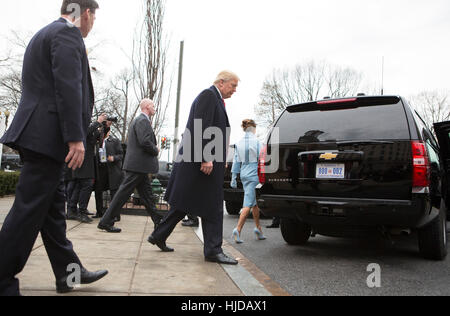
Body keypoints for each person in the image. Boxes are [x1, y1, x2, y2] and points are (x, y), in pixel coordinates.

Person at [0, 0, 108, 296]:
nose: (92, 23)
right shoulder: (66, 33)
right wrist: (76, 137)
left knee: (51, 213)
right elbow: (68, 85)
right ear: (85, 13)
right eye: (94, 17)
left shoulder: (46, 33)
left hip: (40, 136)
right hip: (47, 138)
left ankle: (68, 274)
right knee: (27, 212)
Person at [147, 71, 240, 265]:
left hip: (199, 164)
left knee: (186, 203)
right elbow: (201, 127)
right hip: (203, 164)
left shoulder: (214, 98)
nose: (234, 90)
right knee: (212, 206)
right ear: (221, 83)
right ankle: (213, 250)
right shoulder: (208, 96)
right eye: (233, 86)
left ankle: (159, 235)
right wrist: (206, 158)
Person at [98, 99, 162, 233]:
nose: (154, 107)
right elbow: (144, 141)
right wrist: (155, 150)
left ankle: (158, 220)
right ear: (146, 107)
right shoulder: (142, 120)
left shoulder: (140, 120)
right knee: (123, 193)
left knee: (147, 195)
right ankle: (105, 221)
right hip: (138, 165)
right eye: (152, 105)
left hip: (139, 166)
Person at [230, 119, 266, 243]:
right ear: (253, 129)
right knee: (247, 204)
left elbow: (236, 162)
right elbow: (263, 158)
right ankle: (238, 229)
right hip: (254, 175)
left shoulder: (239, 143)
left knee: (253, 202)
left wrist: (234, 178)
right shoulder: (257, 142)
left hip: (244, 175)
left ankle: (258, 228)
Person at [67, 114, 106, 223]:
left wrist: (102, 129)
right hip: (83, 160)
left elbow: (93, 140)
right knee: (86, 184)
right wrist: (97, 122)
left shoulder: (86, 125)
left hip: (87, 160)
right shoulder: (80, 124)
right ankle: (81, 211)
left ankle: (72, 210)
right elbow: (85, 132)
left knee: (80, 185)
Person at [93, 127, 124, 220]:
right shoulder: (97, 142)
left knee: (114, 193)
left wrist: (113, 158)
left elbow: (121, 155)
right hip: (101, 170)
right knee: (98, 191)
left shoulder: (114, 141)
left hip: (112, 170)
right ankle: (99, 212)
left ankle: (115, 215)